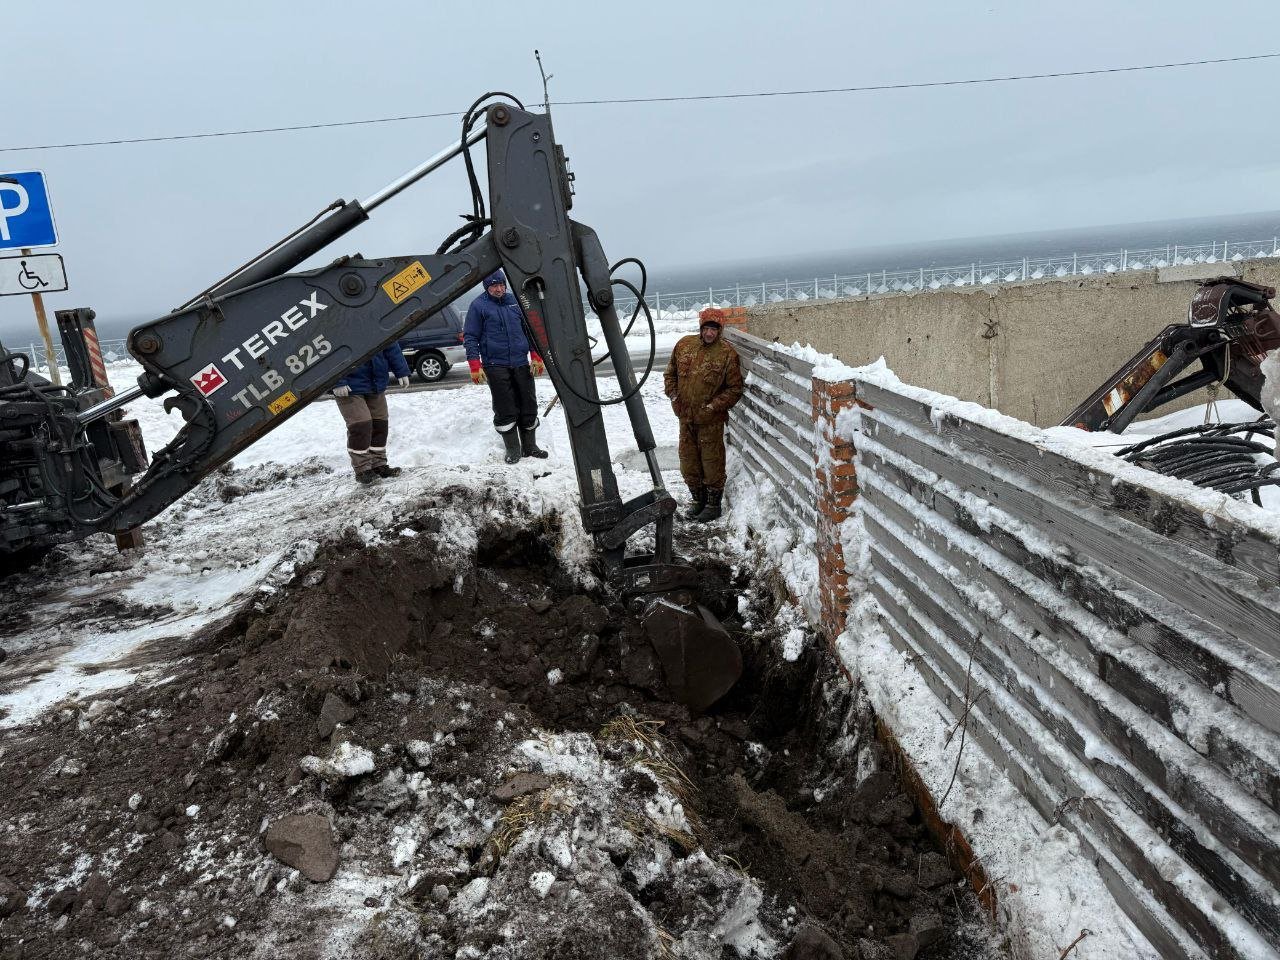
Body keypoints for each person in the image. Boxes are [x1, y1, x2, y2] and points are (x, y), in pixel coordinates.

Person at [663, 316, 744, 522]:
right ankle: (698, 500)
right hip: (685, 417)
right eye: (706, 328)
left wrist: (713, 407)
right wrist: (673, 396)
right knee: (688, 462)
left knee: (711, 462)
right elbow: (670, 374)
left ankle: (712, 505)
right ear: (701, 328)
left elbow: (735, 389)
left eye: (714, 330)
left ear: (720, 331)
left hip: (710, 420)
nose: (709, 333)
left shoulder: (727, 355)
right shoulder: (684, 345)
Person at [464, 270, 547, 464]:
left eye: (501, 285)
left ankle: (530, 446)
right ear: (487, 287)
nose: (499, 289)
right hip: (495, 365)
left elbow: (531, 331)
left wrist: (536, 355)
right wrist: (475, 364)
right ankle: (513, 449)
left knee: (528, 404)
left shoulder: (515, 301)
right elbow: (470, 337)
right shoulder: (478, 306)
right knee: (505, 407)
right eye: (494, 285)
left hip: (520, 363)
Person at [331, 342, 412, 484]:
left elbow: (390, 344)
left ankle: (379, 465)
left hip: (376, 382)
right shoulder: (337, 321)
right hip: (349, 387)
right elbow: (329, 350)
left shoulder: (371, 320)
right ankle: (362, 469)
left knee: (380, 424)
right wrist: (337, 380)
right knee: (361, 425)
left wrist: (401, 370)